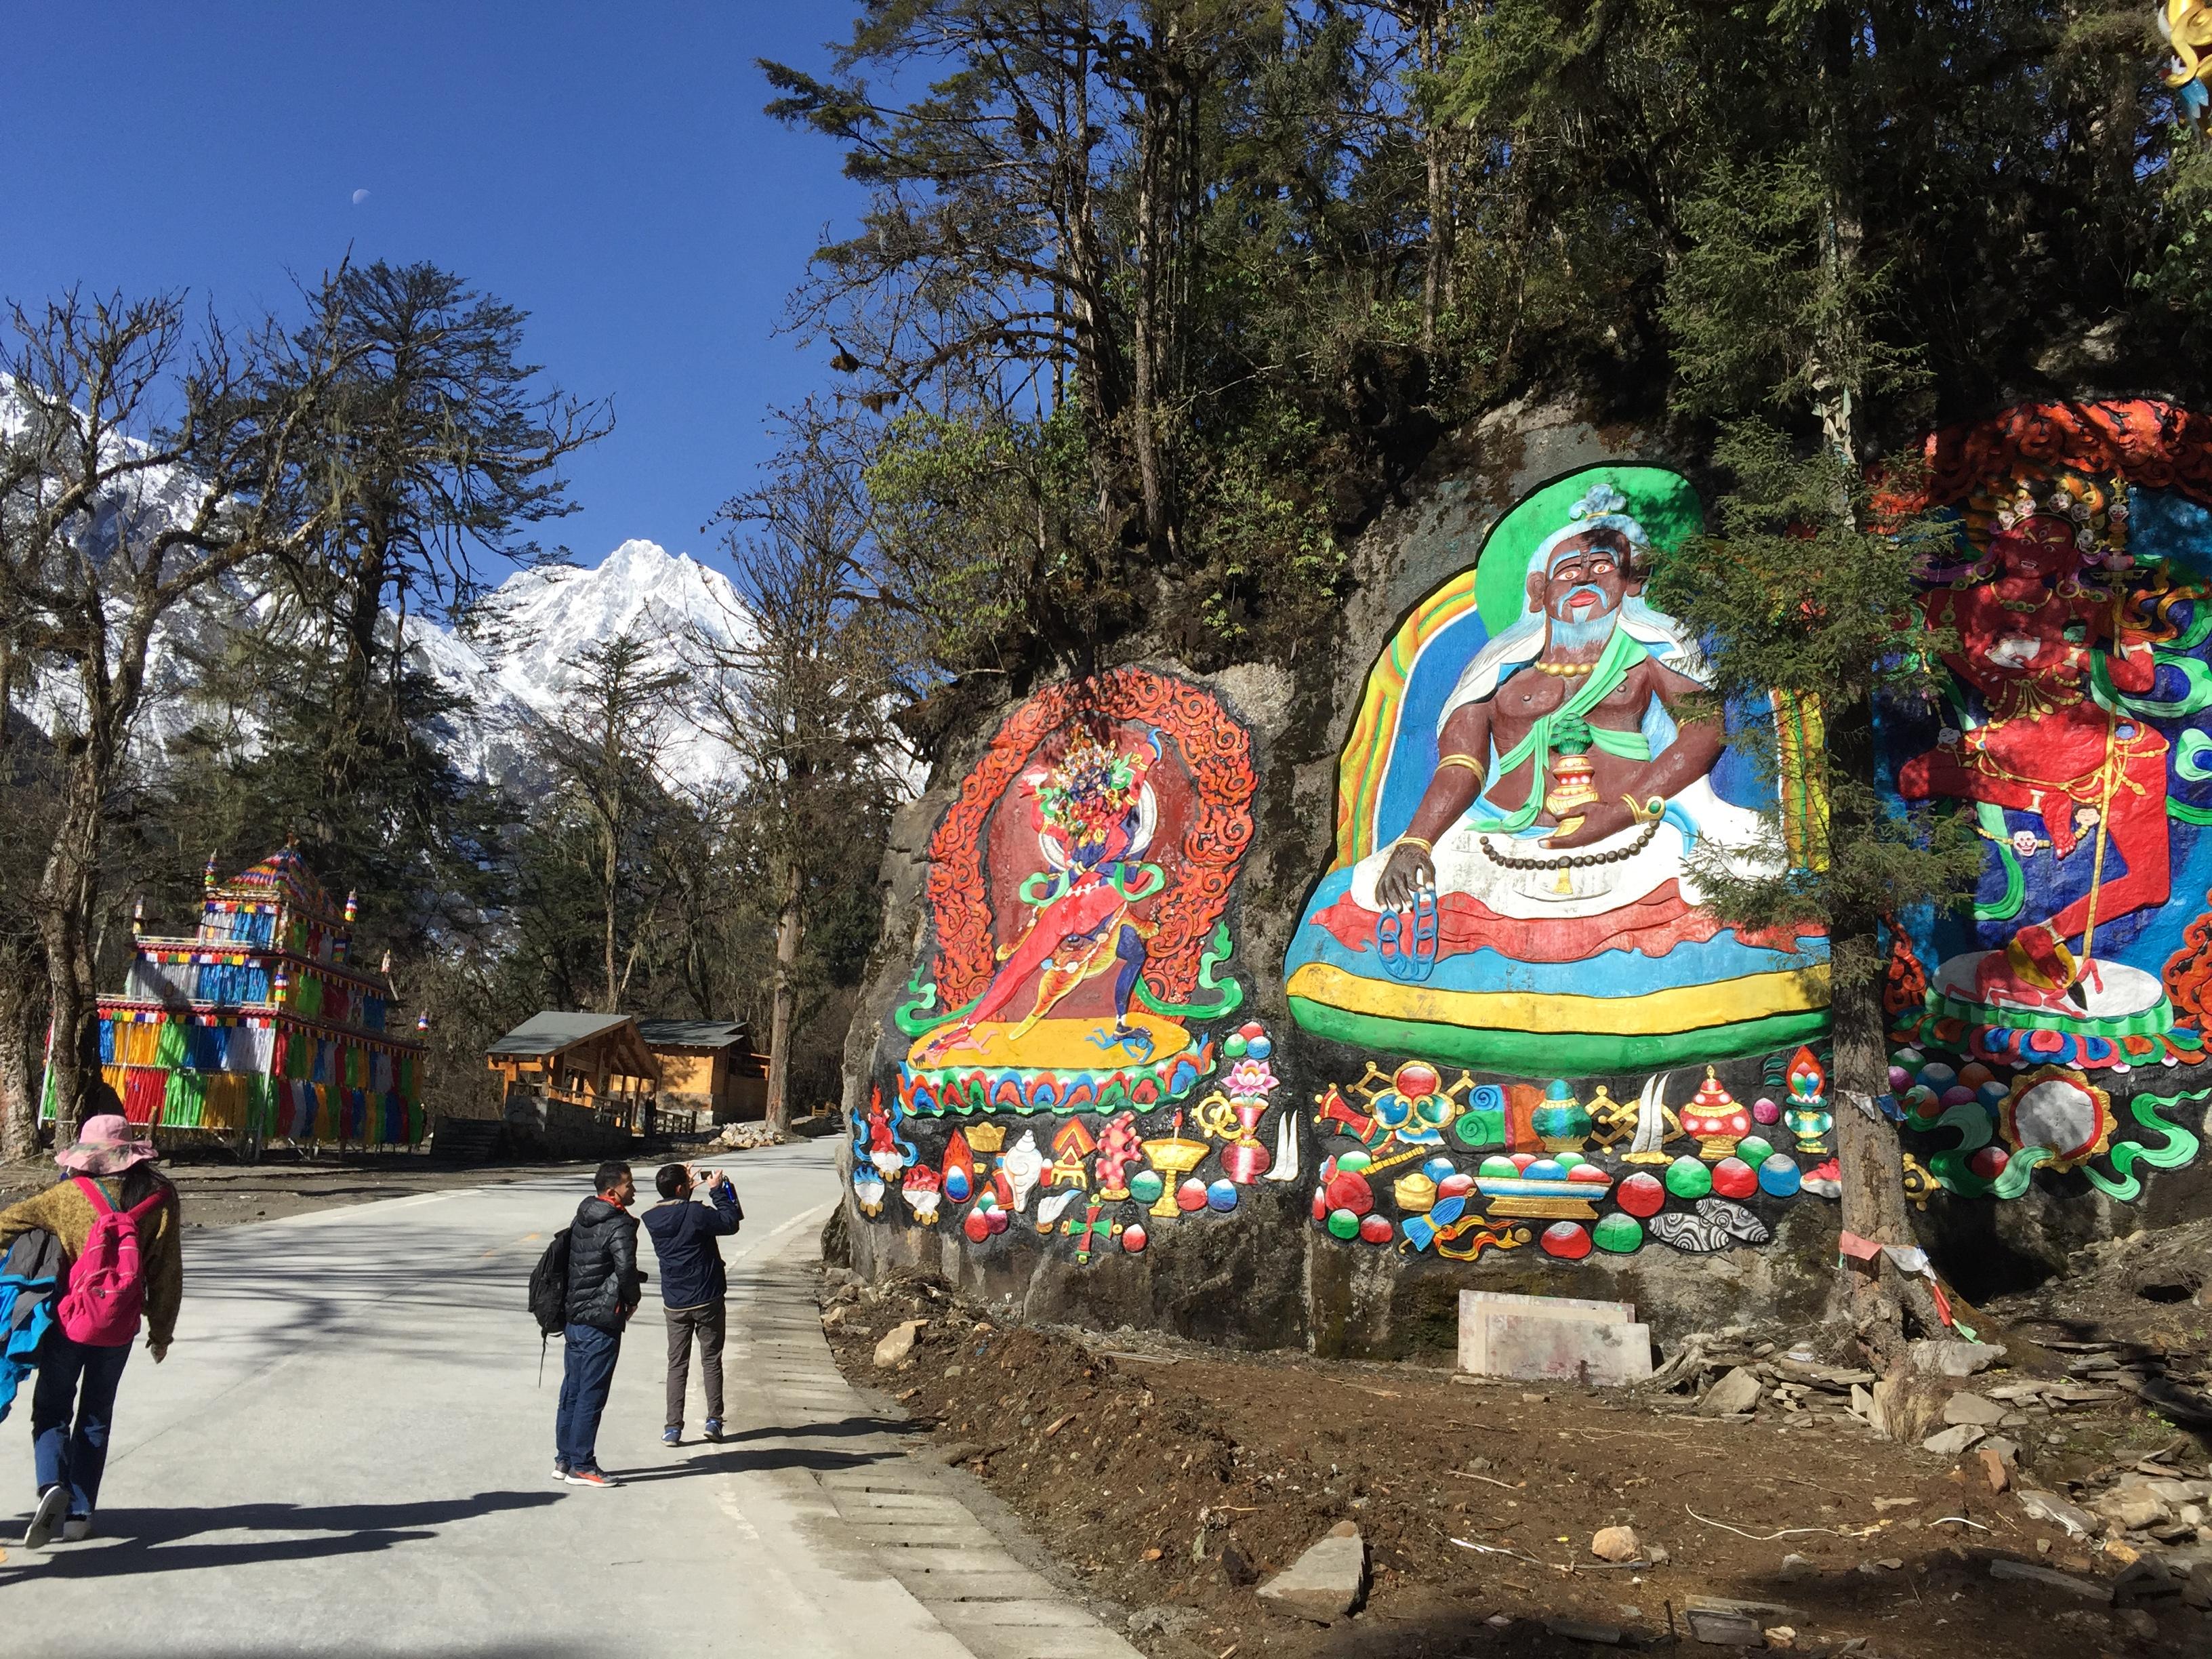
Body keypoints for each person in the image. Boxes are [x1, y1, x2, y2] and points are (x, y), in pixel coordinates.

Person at [0, 1114, 181, 1548]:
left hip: (69, 1322)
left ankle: (51, 1485)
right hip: (120, 1325)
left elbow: (7, 1224)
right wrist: (161, 1333)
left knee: (52, 1410)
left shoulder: (66, 1196)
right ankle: (80, 1514)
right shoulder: (159, 1197)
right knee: (97, 1414)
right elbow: (166, 1272)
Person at [554, 1160, 642, 1488]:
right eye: (629, 1185)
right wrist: (632, 1300)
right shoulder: (620, 1224)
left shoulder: (582, 1216)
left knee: (572, 1391)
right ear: (612, 1192)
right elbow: (626, 1268)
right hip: (602, 1320)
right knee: (591, 1394)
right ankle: (583, 1465)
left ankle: (564, 1459)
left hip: (575, 1317)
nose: (633, 1190)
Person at [640, 1162, 741, 1446]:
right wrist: (717, 1190)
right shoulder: (696, 1212)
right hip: (707, 1296)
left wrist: (683, 1192)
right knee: (711, 1359)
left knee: (677, 1364)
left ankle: (673, 1427)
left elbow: (677, 1212)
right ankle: (714, 1420)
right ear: (680, 1188)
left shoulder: (651, 1218)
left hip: (675, 1301)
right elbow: (730, 1223)